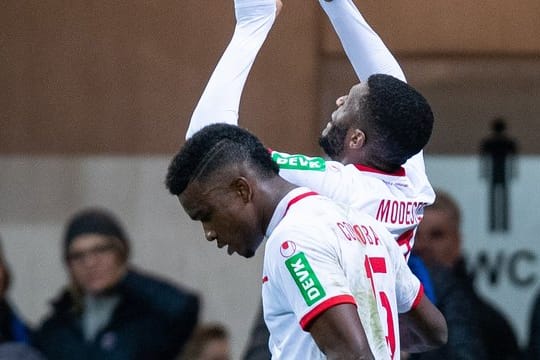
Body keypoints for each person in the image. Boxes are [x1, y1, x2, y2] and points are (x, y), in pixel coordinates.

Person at [185, 0, 436, 356]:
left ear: (356, 139)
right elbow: (393, 83)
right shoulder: (412, 184)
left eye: (347, 103)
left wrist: (252, 24)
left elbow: (207, 144)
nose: (337, 101)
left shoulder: (340, 190)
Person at [166, 123, 447, 358]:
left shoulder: (291, 240)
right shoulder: (366, 224)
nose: (209, 232)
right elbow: (434, 329)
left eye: (206, 215)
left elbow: (353, 354)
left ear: (242, 189)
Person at [34, 208, 200, 360]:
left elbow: (184, 307)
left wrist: (126, 276)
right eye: (78, 256)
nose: (90, 263)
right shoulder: (57, 327)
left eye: (100, 250)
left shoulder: (145, 318)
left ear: (120, 252)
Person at [413, 190, 521, 360]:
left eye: (436, 235)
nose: (422, 245)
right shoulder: (385, 308)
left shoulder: (491, 325)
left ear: (457, 242)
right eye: (414, 234)